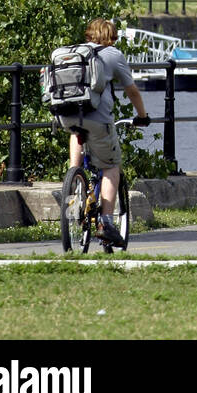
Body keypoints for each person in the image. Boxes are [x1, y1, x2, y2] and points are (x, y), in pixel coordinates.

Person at [65, 18, 150, 247]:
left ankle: (75, 182)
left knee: (76, 133)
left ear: (89, 34)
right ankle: (105, 222)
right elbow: (131, 90)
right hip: (98, 120)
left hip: (68, 115)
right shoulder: (113, 54)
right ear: (111, 37)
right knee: (111, 166)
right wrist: (142, 116)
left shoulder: (76, 52)